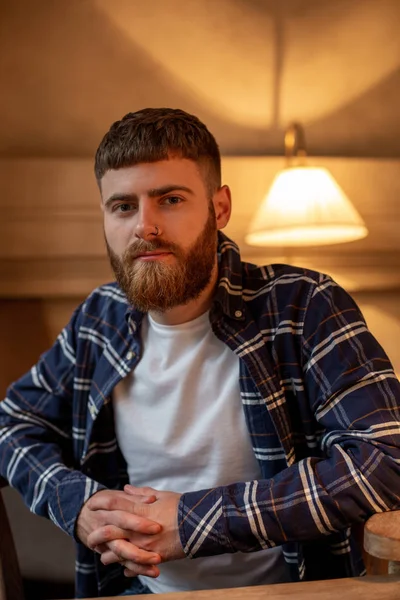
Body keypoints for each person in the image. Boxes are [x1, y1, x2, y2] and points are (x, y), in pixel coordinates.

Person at [1, 108, 400, 599]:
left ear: (220, 207)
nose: (145, 226)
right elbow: (13, 422)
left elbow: (387, 456)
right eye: (123, 206)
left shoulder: (303, 305)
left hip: (289, 592)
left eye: (170, 199)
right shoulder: (98, 320)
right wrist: (78, 505)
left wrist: (193, 524)